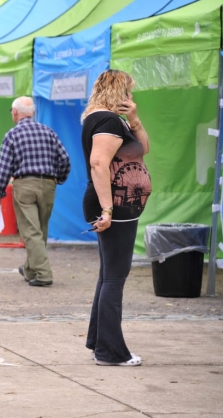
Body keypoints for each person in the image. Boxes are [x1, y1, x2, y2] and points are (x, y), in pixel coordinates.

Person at [80, 70, 151, 367]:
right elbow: (99, 164)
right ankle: (110, 352)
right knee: (114, 277)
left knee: (108, 274)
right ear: (119, 92)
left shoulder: (107, 118)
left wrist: (134, 119)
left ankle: (99, 342)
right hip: (116, 207)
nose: (131, 97)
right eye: (129, 92)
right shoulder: (107, 121)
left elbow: (143, 149)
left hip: (118, 206)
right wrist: (108, 210)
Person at [0, 96, 71, 287]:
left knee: (31, 231)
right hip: (48, 184)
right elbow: (65, 160)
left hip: (24, 185)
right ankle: (29, 269)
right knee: (40, 229)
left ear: (15, 113)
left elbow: (4, 168)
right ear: (33, 112)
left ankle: (44, 274)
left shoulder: (12, 135)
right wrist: (58, 178)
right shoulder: (49, 132)